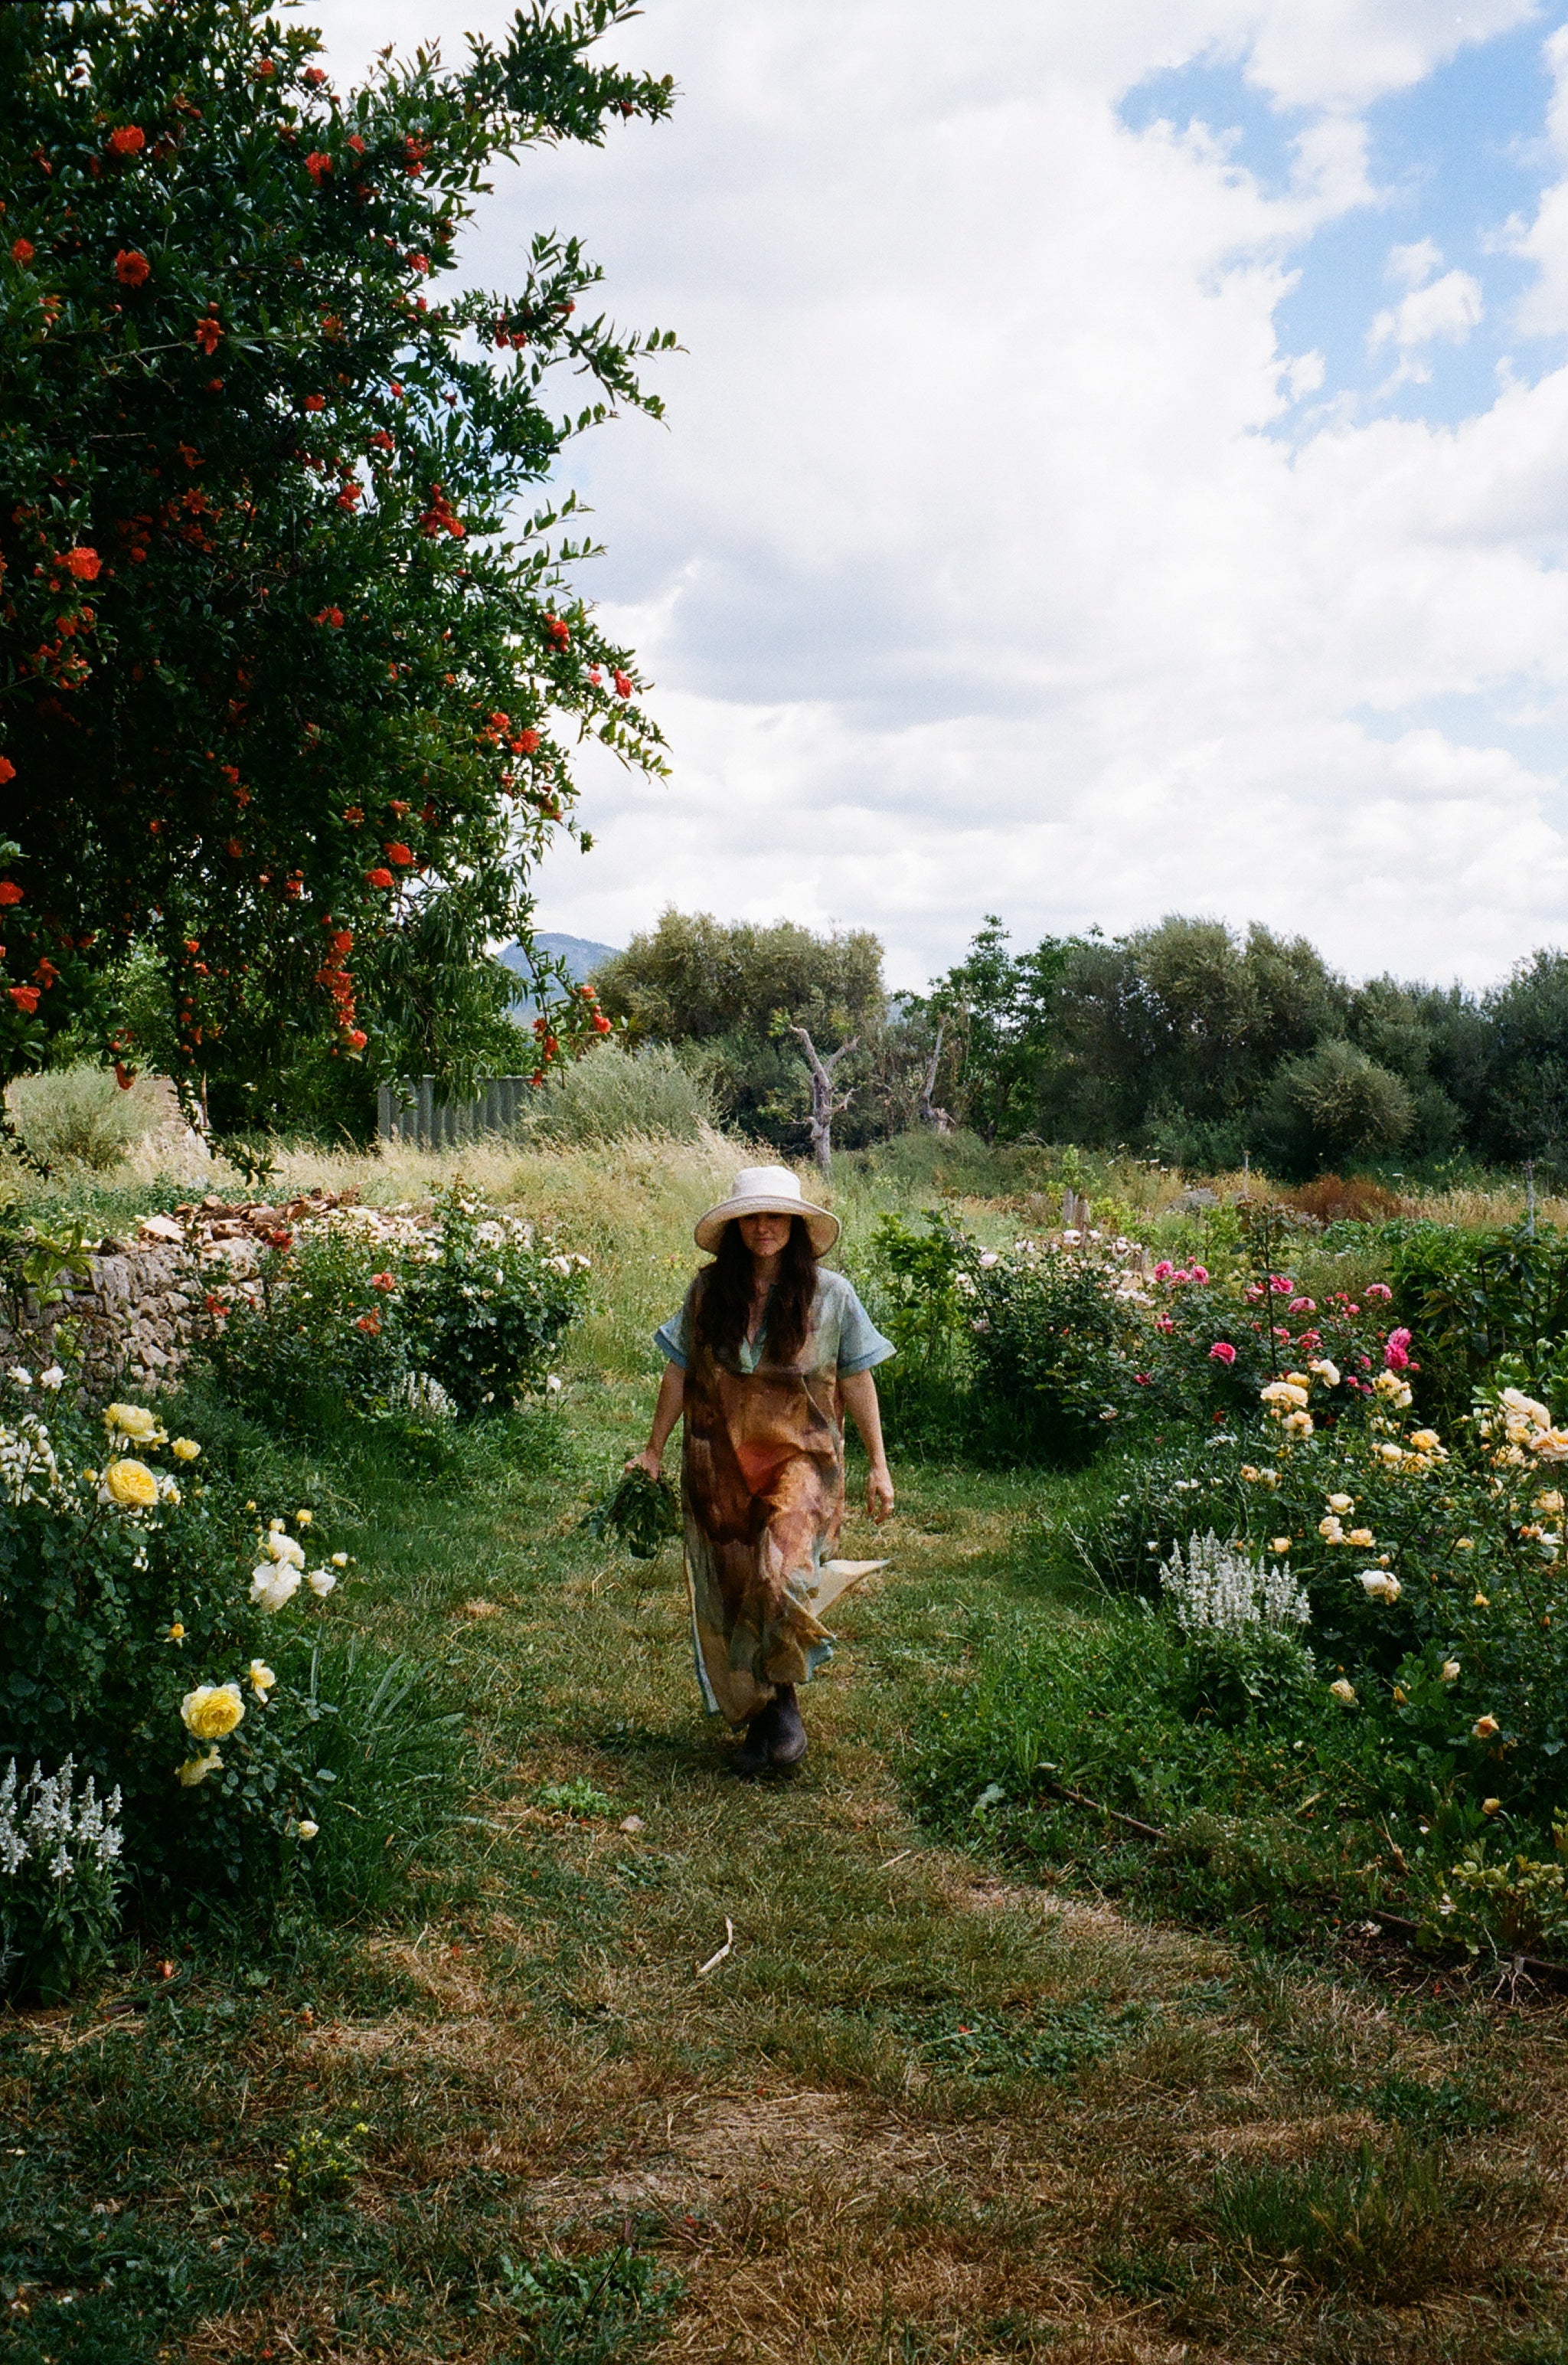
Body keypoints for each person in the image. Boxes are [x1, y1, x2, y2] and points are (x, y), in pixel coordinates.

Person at [628, 1163, 895, 1776]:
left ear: (796, 1227)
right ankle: (766, 1711)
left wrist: (879, 1465)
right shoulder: (707, 1292)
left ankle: (786, 1703)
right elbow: (679, 1370)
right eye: (752, 1217)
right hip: (719, 1463)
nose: (764, 1228)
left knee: (783, 1577)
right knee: (735, 1590)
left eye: (776, 1216)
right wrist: (654, 1450)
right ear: (737, 1226)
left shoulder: (833, 1296)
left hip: (803, 1462)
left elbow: (857, 1377)